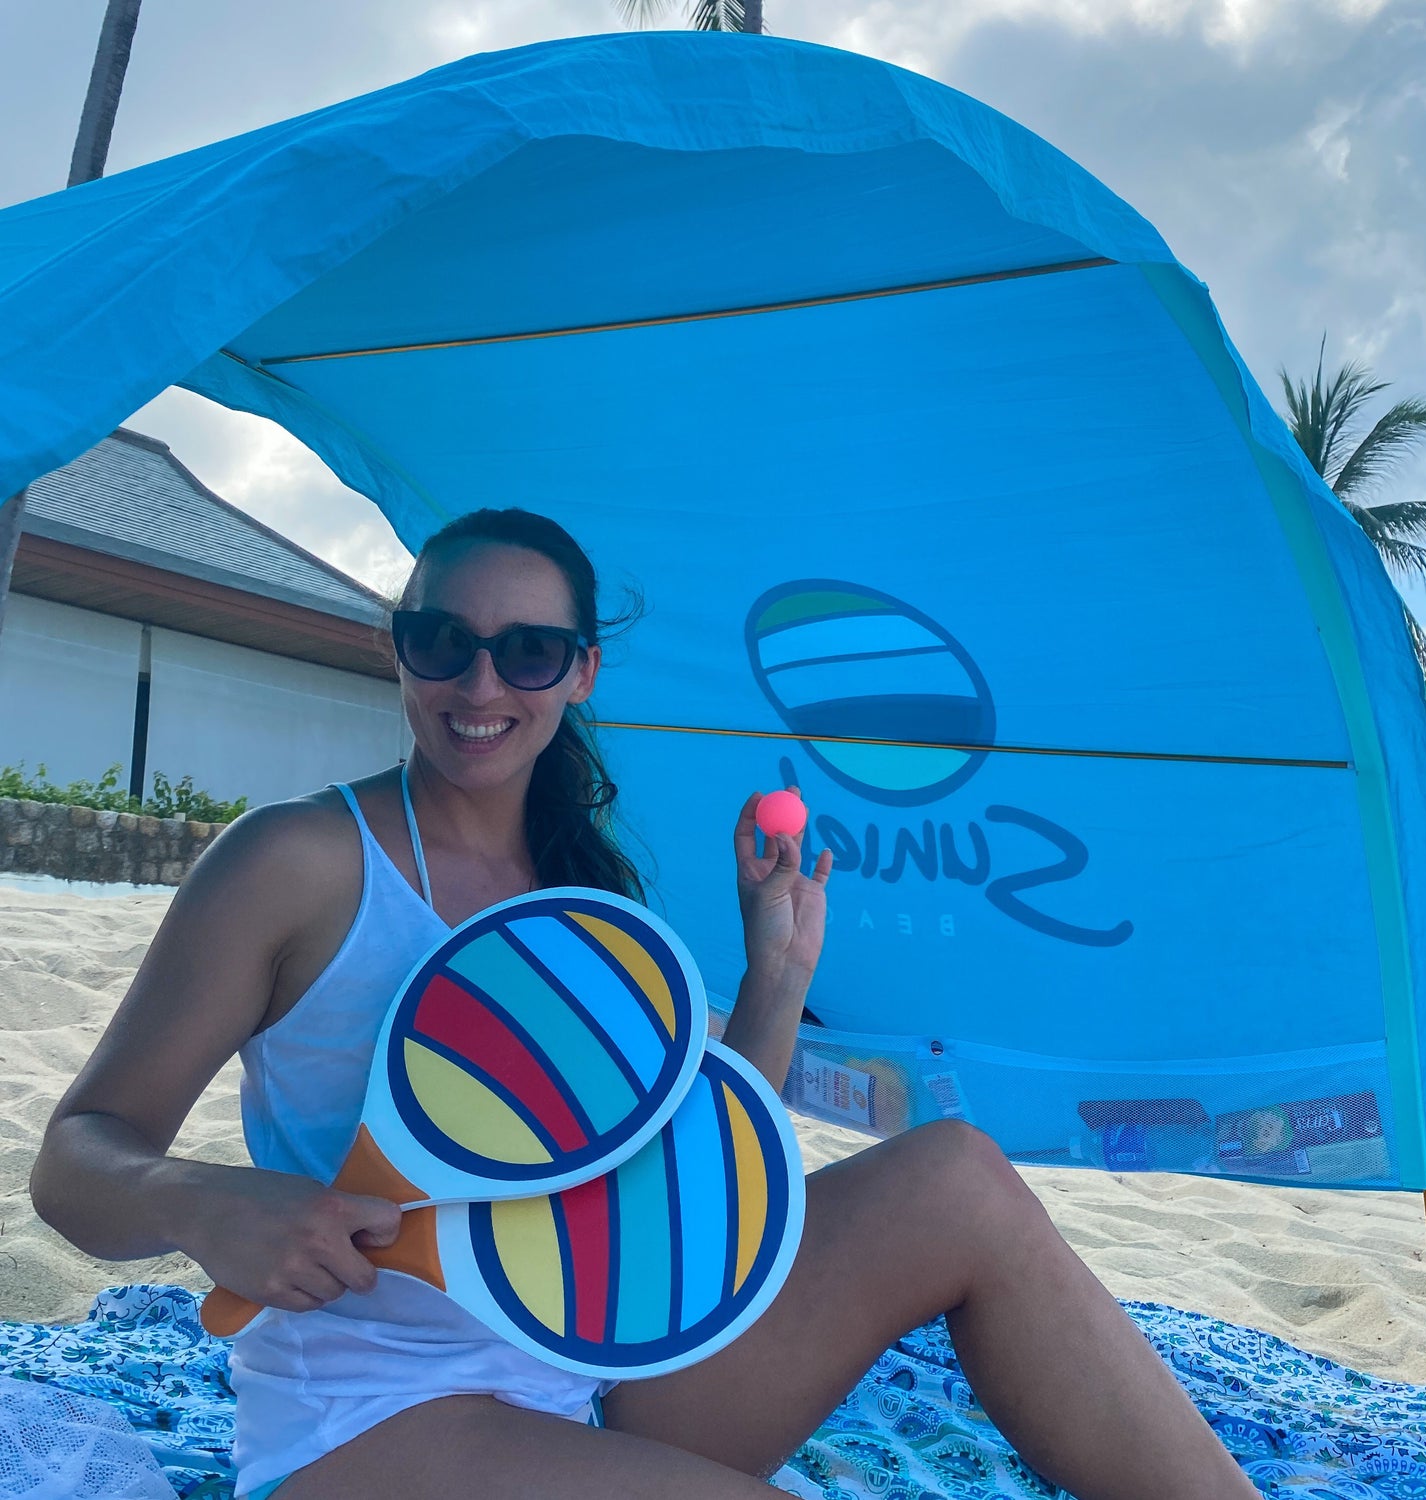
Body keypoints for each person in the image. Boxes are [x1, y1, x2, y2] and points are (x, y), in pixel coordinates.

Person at [31, 509, 1257, 1500]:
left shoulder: (582, 892)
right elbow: (78, 1157)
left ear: (581, 671)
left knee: (957, 1178)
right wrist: (204, 1202)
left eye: (529, 651)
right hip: (376, 1419)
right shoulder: (296, 862)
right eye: (442, 639)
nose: (480, 681)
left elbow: (673, 1176)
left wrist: (775, 975)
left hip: (595, 1371)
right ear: (395, 646)